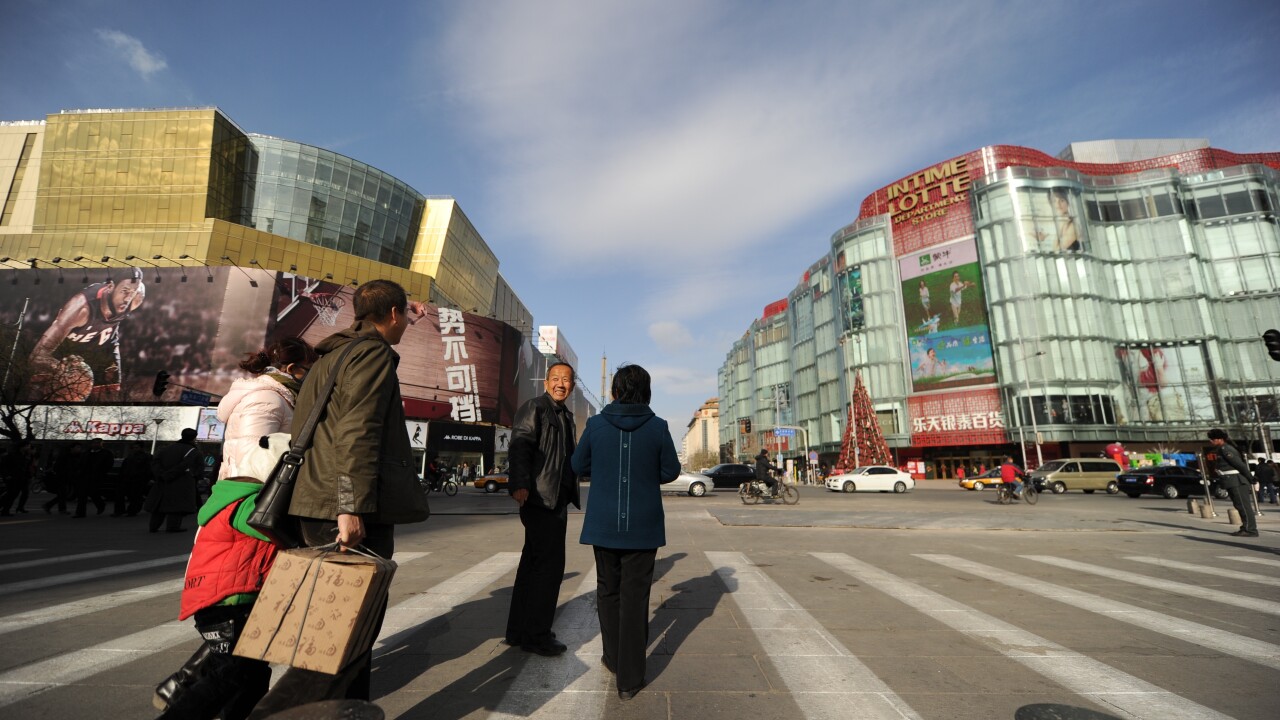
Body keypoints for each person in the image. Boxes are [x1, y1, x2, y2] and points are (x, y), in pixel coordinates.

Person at [247, 280, 428, 719]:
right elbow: (357, 430)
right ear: (391, 315)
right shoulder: (373, 354)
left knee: (329, 623)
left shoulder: (330, 355)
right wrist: (350, 506)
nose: (406, 322)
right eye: (404, 315)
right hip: (344, 506)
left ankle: (342, 711)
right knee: (347, 630)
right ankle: (282, 711)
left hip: (316, 501)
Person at [152, 338, 315, 719]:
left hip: (247, 497)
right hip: (252, 491)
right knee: (237, 669)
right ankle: (183, 685)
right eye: (308, 368)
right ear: (293, 369)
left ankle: (192, 685)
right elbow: (258, 452)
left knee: (251, 671)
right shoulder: (268, 398)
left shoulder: (275, 395)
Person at [572, 364, 680, 700]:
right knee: (636, 597)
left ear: (614, 391)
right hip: (643, 526)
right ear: (646, 392)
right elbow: (671, 470)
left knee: (607, 591)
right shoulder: (658, 427)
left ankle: (613, 658)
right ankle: (630, 680)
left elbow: (577, 466)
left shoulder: (595, 425)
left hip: (604, 523)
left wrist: (604, 469)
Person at [505, 361, 580, 657]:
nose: (561, 383)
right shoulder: (534, 407)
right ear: (546, 382)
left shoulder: (566, 415)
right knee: (549, 568)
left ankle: (518, 630)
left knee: (532, 566)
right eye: (556, 378)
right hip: (540, 497)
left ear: (572, 386)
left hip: (555, 498)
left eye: (566, 380)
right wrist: (520, 483)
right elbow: (520, 444)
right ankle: (538, 635)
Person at [29, 268, 146, 401]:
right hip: (66, 351)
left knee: (110, 398)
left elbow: (136, 289)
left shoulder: (136, 298)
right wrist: (61, 370)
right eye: (124, 291)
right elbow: (37, 356)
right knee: (47, 397)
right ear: (110, 287)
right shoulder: (81, 309)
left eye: (133, 292)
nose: (127, 298)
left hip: (104, 348)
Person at [146, 429, 203, 532]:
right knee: (177, 507)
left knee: (159, 505)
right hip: (181, 482)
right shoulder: (193, 451)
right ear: (194, 438)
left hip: (163, 482)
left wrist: (161, 475)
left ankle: (153, 526)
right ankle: (173, 527)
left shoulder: (166, 449)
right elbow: (192, 467)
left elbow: (155, 462)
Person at [1207, 429, 1259, 537]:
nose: (1211, 441)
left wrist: (1251, 478)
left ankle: (1250, 530)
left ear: (1220, 439)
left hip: (1237, 481)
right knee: (1239, 505)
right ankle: (1246, 527)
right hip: (1231, 481)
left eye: (1213, 439)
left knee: (1243, 506)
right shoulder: (1221, 449)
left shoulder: (1226, 449)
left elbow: (1239, 465)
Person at [74, 438, 113, 518]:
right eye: (94, 443)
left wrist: (102, 472)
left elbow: (108, 465)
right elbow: (81, 463)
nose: (96, 444)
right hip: (84, 476)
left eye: (98, 443)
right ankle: (80, 513)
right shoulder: (87, 453)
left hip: (96, 476)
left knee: (93, 492)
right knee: (82, 495)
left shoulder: (106, 453)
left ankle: (100, 505)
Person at [115, 442, 153, 517]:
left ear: (141, 448)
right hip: (128, 478)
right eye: (134, 448)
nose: (135, 449)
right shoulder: (130, 456)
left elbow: (148, 469)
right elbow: (124, 467)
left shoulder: (146, 457)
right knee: (122, 495)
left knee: (135, 496)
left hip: (138, 479)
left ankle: (131, 511)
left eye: (137, 447)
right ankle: (121, 511)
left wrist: (148, 478)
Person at [43, 442, 82, 515]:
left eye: (79, 448)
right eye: (77, 447)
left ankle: (50, 506)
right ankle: (58, 508)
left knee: (63, 494)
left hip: (69, 478)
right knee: (63, 494)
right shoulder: (65, 456)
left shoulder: (76, 457)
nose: (79, 449)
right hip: (62, 478)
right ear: (72, 448)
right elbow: (57, 467)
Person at [0, 444, 36, 515]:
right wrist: (7, 475)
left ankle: (6, 510)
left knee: (12, 494)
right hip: (13, 477)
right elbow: (4, 465)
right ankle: (5, 510)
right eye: (27, 446)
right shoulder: (13, 455)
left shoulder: (25, 456)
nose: (28, 448)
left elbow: (25, 467)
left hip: (20, 477)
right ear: (22, 447)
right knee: (11, 494)